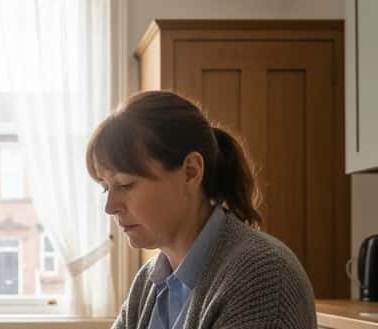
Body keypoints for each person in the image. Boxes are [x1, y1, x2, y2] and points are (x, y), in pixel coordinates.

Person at [86, 91, 316, 329]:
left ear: (191, 172)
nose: (110, 207)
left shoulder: (263, 276)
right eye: (106, 188)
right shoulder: (147, 283)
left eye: (125, 184)